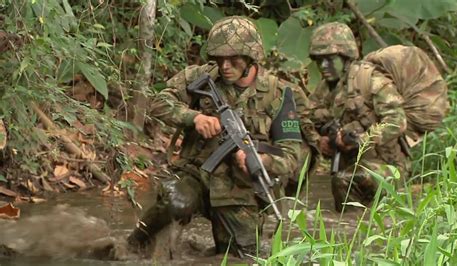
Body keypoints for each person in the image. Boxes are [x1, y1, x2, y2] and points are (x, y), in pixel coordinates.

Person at [126, 16, 305, 257]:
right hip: (196, 173)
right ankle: (135, 242)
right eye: (219, 59)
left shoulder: (279, 94)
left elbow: (293, 152)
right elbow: (159, 102)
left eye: (233, 59)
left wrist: (264, 161)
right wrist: (194, 118)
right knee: (176, 202)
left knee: (240, 258)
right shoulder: (200, 76)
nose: (225, 66)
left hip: (240, 189)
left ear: (251, 57)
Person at [308, 22, 411, 212]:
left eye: (330, 59)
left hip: (387, 166)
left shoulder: (371, 80)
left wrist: (360, 140)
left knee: (344, 181)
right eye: (318, 60)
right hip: (351, 164)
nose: (323, 66)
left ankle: (355, 229)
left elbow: (397, 121)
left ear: (346, 57)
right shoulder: (325, 88)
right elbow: (308, 118)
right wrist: (320, 140)